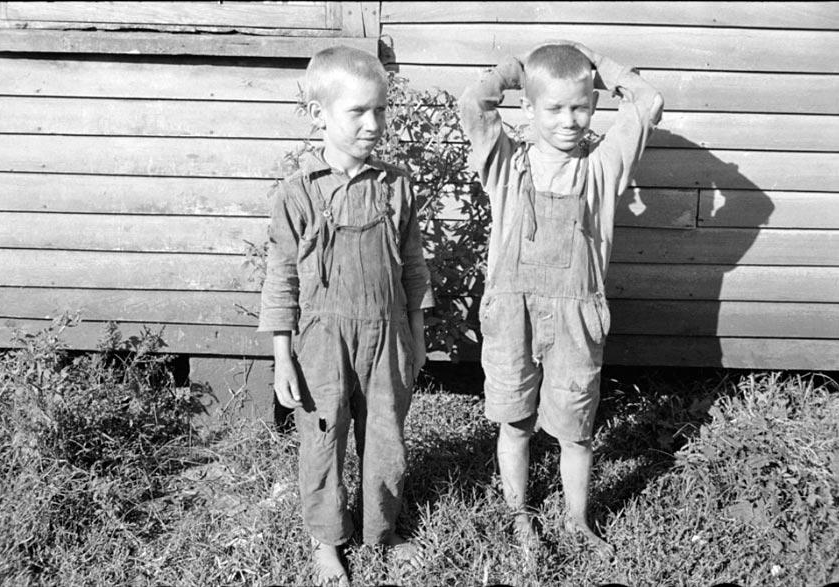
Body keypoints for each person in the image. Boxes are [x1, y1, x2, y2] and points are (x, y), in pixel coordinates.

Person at [459, 40, 664, 556]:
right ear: (527, 108)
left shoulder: (602, 168)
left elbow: (647, 102)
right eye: (553, 107)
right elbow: (474, 102)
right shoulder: (506, 164)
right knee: (516, 422)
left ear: (595, 104)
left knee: (576, 430)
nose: (569, 119)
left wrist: (600, 65)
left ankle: (577, 520)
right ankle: (519, 517)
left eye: (580, 105)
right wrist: (519, 68)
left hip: (577, 316)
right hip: (513, 314)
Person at [258, 45, 434, 586]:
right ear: (320, 115)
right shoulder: (298, 194)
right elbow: (281, 277)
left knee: (386, 437)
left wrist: (417, 333)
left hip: (388, 335)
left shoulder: (396, 186)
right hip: (321, 340)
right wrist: (283, 358)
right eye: (357, 111)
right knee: (323, 437)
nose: (373, 123)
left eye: (380, 110)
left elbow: (412, 266)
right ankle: (327, 540)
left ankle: (383, 529)